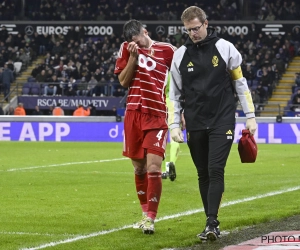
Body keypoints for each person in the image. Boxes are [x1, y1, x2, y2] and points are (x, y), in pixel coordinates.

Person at [168, 6, 257, 242]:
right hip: (195, 121)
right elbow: (174, 95)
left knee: (215, 169)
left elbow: (240, 83)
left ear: (206, 24)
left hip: (222, 119)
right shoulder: (179, 55)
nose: (193, 33)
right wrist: (174, 124)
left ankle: (212, 222)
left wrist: (251, 115)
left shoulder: (225, 48)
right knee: (202, 173)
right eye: (188, 30)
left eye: (196, 28)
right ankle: (210, 220)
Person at [114, 19, 176, 234]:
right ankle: (143, 214)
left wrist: (182, 109)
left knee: (153, 168)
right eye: (132, 43)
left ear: (145, 32)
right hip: (133, 113)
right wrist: (133, 57)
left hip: (157, 114)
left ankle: (151, 217)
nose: (136, 45)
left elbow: (182, 75)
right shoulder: (126, 49)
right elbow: (123, 81)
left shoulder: (167, 50)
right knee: (139, 168)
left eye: (138, 41)